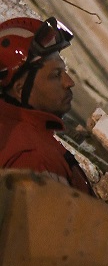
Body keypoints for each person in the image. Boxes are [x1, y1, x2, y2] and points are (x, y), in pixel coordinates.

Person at [0, 16, 90, 193]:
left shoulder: (13, 131)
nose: (69, 82)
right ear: (20, 89)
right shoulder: (36, 159)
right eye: (56, 74)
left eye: (64, 71)